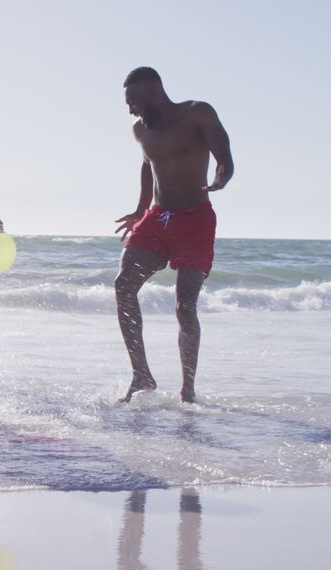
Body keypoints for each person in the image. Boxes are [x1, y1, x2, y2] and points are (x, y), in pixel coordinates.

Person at [114, 67, 234, 404]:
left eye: (133, 101)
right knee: (123, 286)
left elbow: (223, 151)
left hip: (195, 220)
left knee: (184, 307)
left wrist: (225, 170)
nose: (130, 109)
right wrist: (140, 208)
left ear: (152, 93)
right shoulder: (141, 131)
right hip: (157, 218)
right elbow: (147, 165)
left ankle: (188, 391)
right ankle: (141, 376)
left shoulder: (197, 113)